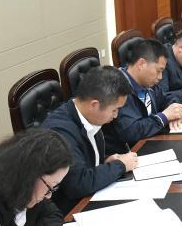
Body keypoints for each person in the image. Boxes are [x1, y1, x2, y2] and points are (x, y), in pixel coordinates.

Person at [41, 66, 137, 214]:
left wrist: (105, 161)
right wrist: (120, 166)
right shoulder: (60, 133)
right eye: (114, 110)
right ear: (94, 105)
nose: (116, 115)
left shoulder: (88, 117)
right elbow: (77, 184)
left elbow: (82, 160)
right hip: (71, 211)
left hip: (92, 196)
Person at [103, 39, 182, 154]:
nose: (160, 77)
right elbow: (131, 132)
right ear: (141, 64)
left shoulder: (148, 84)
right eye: (158, 71)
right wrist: (164, 117)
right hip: (129, 154)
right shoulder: (119, 89)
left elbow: (166, 98)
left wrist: (175, 110)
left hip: (151, 143)